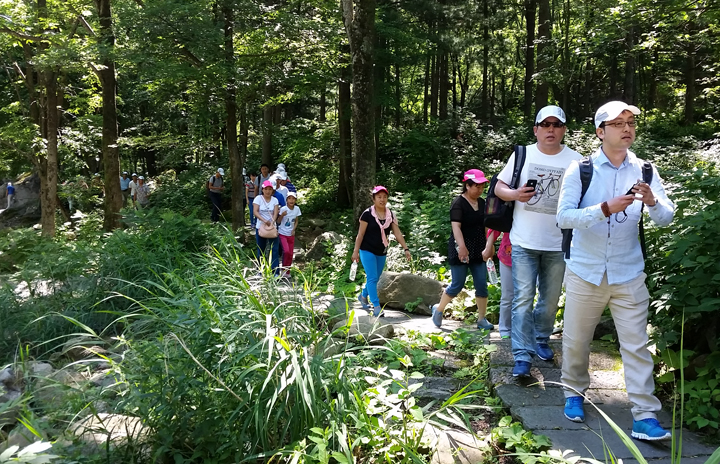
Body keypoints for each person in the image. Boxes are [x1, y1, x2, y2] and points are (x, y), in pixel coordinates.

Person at [557, 101, 675, 440]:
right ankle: (573, 393)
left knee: (636, 346)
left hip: (629, 272)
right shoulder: (580, 169)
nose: (627, 128)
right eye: (618, 123)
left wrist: (652, 202)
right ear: (600, 131)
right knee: (577, 341)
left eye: (631, 122)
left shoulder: (646, 170)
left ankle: (645, 415)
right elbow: (563, 217)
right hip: (585, 270)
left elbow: (667, 218)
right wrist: (603, 209)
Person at [494, 105, 582, 377]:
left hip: (559, 244)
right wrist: (515, 194)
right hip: (523, 242)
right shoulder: (523, 154)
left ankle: (541, 338)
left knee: (550, 300)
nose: (551, 129)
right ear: (536, 129)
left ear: (564, 130)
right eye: (545, 124)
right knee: (522, 299)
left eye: (557, 124)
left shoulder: (577, 160)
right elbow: (498, 187)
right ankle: (522, 355)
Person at [430, 170, 495, 330]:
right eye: (476, 186)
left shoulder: (483, 203)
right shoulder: (458, 203)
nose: (480, 189)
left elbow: (487, 227)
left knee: (481, 284)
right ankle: (438, 309)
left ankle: (482, 319)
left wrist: (490, 245)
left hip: (479, 249)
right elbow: (456, 227)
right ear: (467, 186)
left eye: (482, 186)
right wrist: (462, 247)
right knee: (457, 284)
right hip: (460, 248)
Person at [351, 186, 412, 317]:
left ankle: (363, 296)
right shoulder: (367, 214)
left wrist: (406, 248)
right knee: (372, 277)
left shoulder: (390, 215)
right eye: (379, 197)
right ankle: (376, 306)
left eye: (384, 197)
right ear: (373, 199)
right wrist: (355, 251)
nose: (382, 199)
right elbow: (360, 234)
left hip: (381, 250)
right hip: (366, 249)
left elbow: (397, 233)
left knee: (376, 277)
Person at [487, 229, 513, 339]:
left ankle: (523, 328)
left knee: (526, 296)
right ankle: (505, 329)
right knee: (507, 296)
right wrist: (488, 247)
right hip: (507, 256)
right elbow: (495, 225)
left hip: (531, 256)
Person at [253, 180, 280, 274]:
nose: (268, 191)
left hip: (272, 227)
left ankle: (275, 271)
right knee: (261, 249)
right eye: (266, 189)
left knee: (274, 249)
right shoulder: (258, 198)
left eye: (270, 189)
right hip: (260, 227)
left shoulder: (275, 200)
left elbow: (275, 213)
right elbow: (255, 211)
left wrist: (272, 222)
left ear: (272, 190)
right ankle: (261, 270)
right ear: (262, 189)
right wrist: (264, 221)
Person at [278, 192, 302, 277]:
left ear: (295, 200)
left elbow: (296, 221)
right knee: (286, 251)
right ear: (287, 200)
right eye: (289, 198)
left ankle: (287, 272)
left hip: (291, 234)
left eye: (293, 199)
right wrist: (282, 215)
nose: (291, 200)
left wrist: (294, 229)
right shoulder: (283, 209)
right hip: (282, 233)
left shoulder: (297, 209)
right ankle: (283, 269)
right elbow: (278, 221)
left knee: (291, 254)